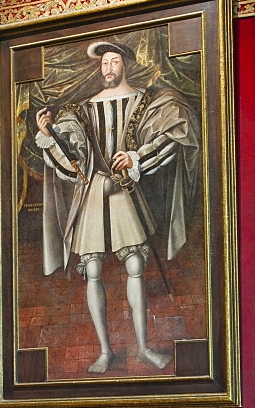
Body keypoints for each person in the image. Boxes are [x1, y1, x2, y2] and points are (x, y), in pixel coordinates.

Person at [35, 39, 199, 374]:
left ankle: (143, 348)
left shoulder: (145, 101)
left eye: (113, 61)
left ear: (125, 63)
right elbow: (74, 163)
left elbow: (172, 134)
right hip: (95, 190)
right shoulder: (82, 109)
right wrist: (50, 137)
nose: (108, 68)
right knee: (92, 270)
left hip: (125, 190)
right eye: (103, 63)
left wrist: (136, 156)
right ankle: (106, 352)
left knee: (135, 263)